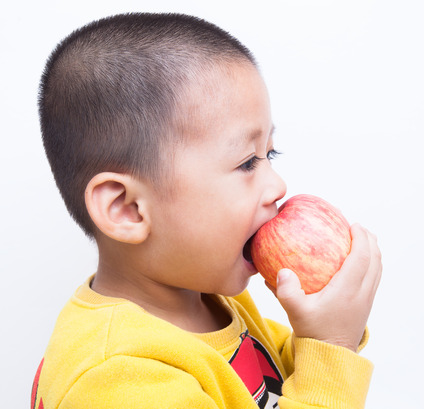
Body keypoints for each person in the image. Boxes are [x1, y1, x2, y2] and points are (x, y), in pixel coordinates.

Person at [31, 12, 382, 409]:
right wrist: (331, 348)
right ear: (127, 208)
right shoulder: (116, 379)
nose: (278, 186)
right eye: (248, 162)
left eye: (271, 153)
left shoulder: (211, 301)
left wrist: (328, 329)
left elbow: (285, 380)